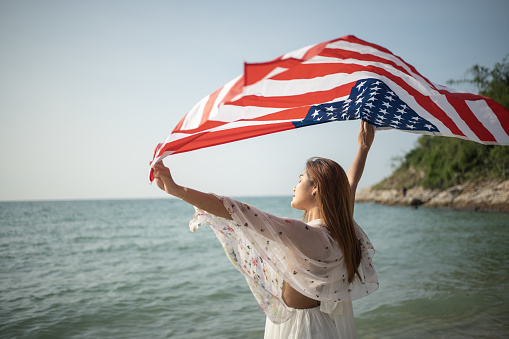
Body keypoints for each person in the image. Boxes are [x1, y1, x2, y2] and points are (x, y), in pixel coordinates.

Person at [152, 121, 378, 338]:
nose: (294, 186)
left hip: (302, 329)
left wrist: (177, 190)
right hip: (318, 323)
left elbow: (236, 211)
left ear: (315, 188)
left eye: (300, 180)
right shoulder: (339, 228)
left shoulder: (306, 233)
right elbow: (350, 184)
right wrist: (363, 148)